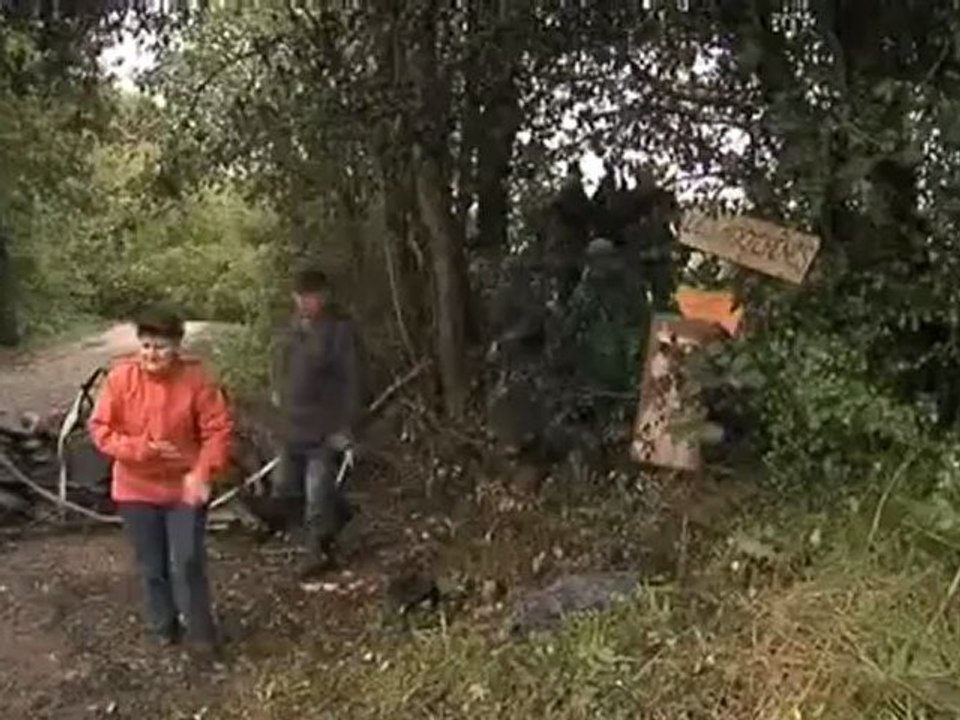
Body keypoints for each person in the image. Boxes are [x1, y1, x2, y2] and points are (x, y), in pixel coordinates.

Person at [89, 306, 232, 662]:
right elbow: (100, 429)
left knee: (186, 560)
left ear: (178, 346)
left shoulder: (197, 379)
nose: (152, 354)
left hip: (184, 488)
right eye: (147, 345)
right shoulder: (121, 378)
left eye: (161, 347)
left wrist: (201, 472)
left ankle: (200, 631)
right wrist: (141, 450)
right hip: (135, 488)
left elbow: (218, 431)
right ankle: (162, 624)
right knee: (152, 564)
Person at [272, 266, 363, 579]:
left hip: (324, 427)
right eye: (299, 296)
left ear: (323, 296)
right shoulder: (291, 329)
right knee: (285, 488)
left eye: (310, 297)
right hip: (291, 424)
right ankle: (340, 514)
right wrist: (277, 394)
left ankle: (318, 551)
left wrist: (346, 426)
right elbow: (280, 366)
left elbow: (351, 379)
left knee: (316, 493)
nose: (304, 303)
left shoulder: (339, 330)